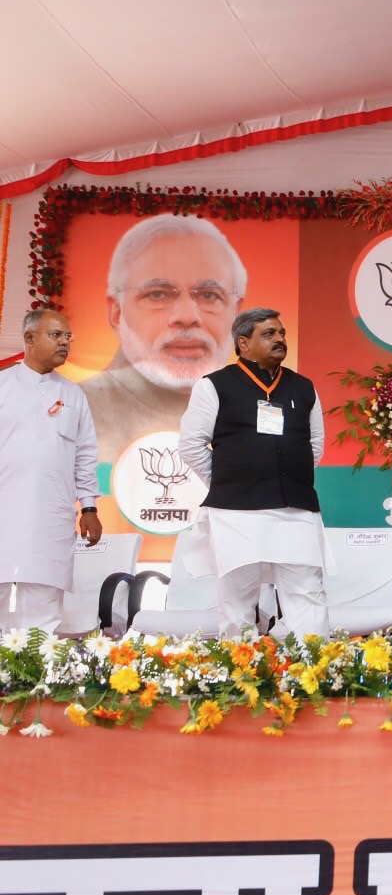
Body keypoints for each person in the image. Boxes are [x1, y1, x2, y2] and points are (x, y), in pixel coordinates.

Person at [176, 308, 329, 634]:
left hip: (295, 508)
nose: (279, 339)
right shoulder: (214, 386)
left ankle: (315, 677)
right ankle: (239, 679)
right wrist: (230, 481)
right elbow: (191, 445)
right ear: (243, 343)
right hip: (235, 513)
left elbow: (314, 446)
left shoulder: (303, 388)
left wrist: (283, 479)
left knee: (308, 594)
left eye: (282, 333)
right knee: (236, 601)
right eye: (269, 333)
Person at [82, 215, 248, 458]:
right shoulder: (76, 413)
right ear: (117, 313)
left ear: (236, 315)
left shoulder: (253, 409)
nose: (187, 316)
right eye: (158, 294)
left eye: (209, 295)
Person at [0, 310, 101, 630]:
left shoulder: (73, 394)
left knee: (43, 610)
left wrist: (89, 507)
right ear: (29, 339)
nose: (65, 343)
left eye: (68, 337)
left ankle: (36, 679)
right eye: (56, 335)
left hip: (49, 513)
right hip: (4, 507)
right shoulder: (2, 385)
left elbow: (85, 454)